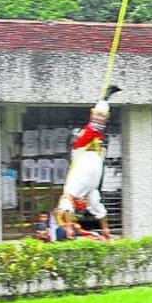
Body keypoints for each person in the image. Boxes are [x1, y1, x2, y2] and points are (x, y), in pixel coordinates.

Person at [54, 87, 120, 241]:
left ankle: (104, 99)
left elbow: (65, 204)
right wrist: (105, 228)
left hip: (82, 149)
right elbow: (99, 210)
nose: (83, 202)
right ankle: (104, 100)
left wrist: (69, 227)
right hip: (96, 153)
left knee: (96, 125)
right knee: (99, 127)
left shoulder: (72, 189)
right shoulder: (90, 192)